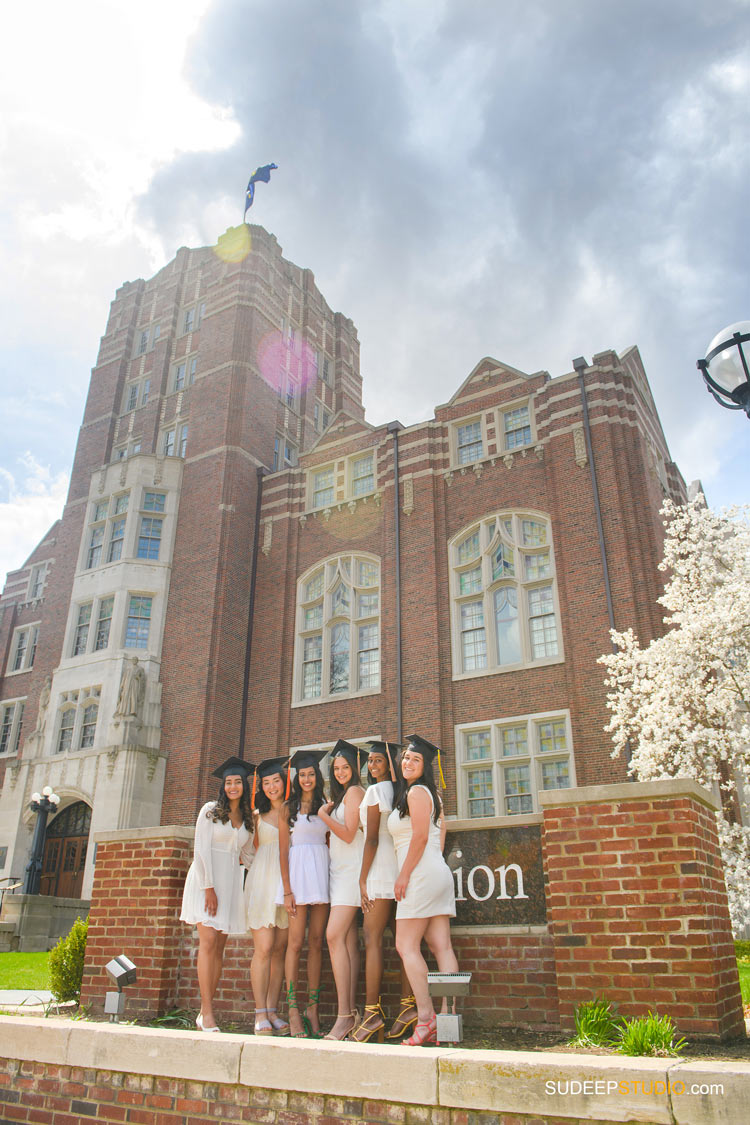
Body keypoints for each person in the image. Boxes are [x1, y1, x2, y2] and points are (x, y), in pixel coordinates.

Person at [387, 734, 458, 1047]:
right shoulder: (433, 795)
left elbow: (417, 838)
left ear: (425, 766)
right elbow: (438, 838)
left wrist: (404, 875)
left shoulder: (416, 793)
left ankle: (427, 1019)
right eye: (405, 758)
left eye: (415, 759)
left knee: (406, 946)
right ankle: (449, 1023)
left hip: (419, 874)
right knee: (441, 947)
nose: (408, 762)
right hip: (436, 871)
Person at [180, 755, 254, 1032]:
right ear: (222, 786)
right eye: (228, 782)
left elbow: (247, 855)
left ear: (244, 786)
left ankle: (205, 1010)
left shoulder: (246, 818)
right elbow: (200, 851)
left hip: (231, 883)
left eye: (237, 782)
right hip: (207, 882)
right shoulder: (210, 811)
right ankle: (207, 1013)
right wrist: (208, 888)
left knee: (219, 949)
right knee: (208, 944)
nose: (232, 787)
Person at [351, 740, 417, 1043]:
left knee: (373, 940)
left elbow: (372, 840)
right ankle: (408, 1007)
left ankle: (372, 1013)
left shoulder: (376, 792)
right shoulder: (402, 792)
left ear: (389, 764)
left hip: (379, 872)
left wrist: (362, 880)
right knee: (404, 944)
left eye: (378, 760)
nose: (372, 766)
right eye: (370, 761)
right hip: (401, 871)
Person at [276, 748, 330, 1037]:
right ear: (297, 779)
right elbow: (283, 851)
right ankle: (293, 1009)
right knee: (295, 943)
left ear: (317, 776)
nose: (307, 779)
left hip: (321, 874)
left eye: (311, 774)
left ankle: (313, 1008)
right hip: (297, 876)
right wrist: (287, 890)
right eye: (303, 775)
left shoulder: (326, 805)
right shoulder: (288, 808)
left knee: (317, 941)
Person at [317, 739, 366, 1040]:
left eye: (345, 767)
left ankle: (344, 1016)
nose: (340, 772)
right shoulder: (341, 796)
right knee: (347, 942)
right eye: (336, 768)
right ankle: (350, 1013)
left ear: (354, 769)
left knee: (333, 935)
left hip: (351, 874)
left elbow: (348, 835)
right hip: (338, 874)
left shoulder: (356, 793)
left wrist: (323, 817)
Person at [245, 757, 290, 1036]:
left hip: (286, 884)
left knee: (279, 950)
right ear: (261, 786)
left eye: (276, 781)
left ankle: (272, 1011)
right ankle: (259, 1012)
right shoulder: (256, 815)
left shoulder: (291, 811)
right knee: (263, 948)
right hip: (262, 882)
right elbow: (253, 849)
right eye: (266, 782)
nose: (271, 786)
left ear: (284, 783)